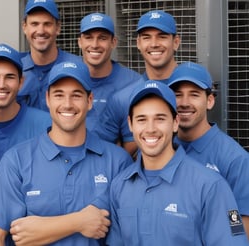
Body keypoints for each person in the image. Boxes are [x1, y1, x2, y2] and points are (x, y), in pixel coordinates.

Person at [0, 60, 133, 245]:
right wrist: (79, 222)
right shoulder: (17, 160)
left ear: (89, 101)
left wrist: (38, 229)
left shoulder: (117, 162)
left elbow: (127, 234)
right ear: (48, 99)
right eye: (59, 95)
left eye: (76, 95)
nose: (67, 104)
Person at [107, 80, 248, 245]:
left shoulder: (212, 186)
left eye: (160, 118)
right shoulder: (119, 186)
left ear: (175, 122)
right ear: (130, 124)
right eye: (141, 119)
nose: (150, 128)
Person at [167, 61, 249, 239]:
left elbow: (240, 224)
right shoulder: (158, 149)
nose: (184, 103)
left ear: (210, 101)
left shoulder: (235, 158)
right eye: (177, 95)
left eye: (194, 95)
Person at [95, 10, 180, 156]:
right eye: (147, 37)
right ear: (138, 43)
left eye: (162, 36)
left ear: (176, 42)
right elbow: (101, 152)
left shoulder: (192, 91)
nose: (154, 44)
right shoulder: (122, 98)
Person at [77, 12, 142, 131]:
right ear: (80, 42)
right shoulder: (68, 79)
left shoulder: (134, 83)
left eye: (102, 38)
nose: (95, 45)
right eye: (88, 38)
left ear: (113, 42)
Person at [18, 0, 80, 111]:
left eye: (47, 24)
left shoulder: (77, 67)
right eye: (34, 24)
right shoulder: (14, 68)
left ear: (58, 28)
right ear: (24, 27)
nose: (41, 31)